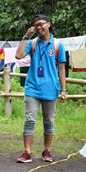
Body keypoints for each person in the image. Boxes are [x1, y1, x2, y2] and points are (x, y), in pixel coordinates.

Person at [15, 14, 67, 163]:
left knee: (49, 121)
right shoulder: (32, 43)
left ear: (49, 24)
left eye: (41, 24)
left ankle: (47, 151)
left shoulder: (57, 45)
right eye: (36, 25)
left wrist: (63, 90)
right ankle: (27, 152)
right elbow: (18, 55)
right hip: (32, 87)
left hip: (51, 89)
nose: (39, 27)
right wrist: (26, 36)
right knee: (30, 120)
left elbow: (62, 69)